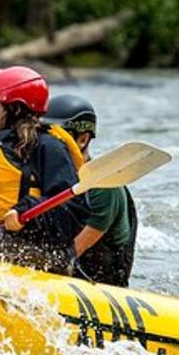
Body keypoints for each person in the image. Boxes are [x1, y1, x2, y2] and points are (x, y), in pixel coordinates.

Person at [0, 66, 86, 273]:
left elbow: (72, 210)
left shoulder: (47, 146)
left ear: (15, 107)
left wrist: (26, 211)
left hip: (43, 251)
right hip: (0, 241)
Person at [44, 94, 138, 287]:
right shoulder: (52, 179)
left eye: (54, 138)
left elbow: (73, 253)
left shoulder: (103, 184)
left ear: (82, 139)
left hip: (100, 282)